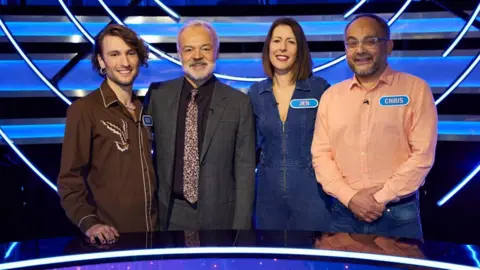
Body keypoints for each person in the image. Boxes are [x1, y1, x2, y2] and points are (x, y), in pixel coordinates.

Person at [311, 14, 438, 239]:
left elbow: (422, 156)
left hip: (398, 215)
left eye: (370, 41)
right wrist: (351, 198)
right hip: (343, 213)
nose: (360, 50)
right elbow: (321, 155)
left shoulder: (415, 90)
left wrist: (377, 200)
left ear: (389, 46)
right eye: (352, 43)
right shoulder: (331, 96)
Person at [144, 20, 256, 231]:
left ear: (216, 51)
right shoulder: (159, 96)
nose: (196, 56)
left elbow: (245, 170)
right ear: (178, 53)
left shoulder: (238, 103)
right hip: (168, 214)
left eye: (205, 48)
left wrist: (241, 227)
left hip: (221, 217)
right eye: (189, 49)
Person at [57, 24, 157, 244]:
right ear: (101, 61)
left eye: (131, 53)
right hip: (111, 242)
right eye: (114, 54)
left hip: (154, 239)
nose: (125, 62)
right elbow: (69, 180)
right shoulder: (84, 110)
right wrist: (90, 223)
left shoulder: (146, 109)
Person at [248, 17, 331, 231]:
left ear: (300, 49)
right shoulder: (256, 93)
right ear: (268, 47)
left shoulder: (319, 89)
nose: (282, 48)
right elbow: (248, 148)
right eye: (276, 41)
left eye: (290, 41)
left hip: (312, 193)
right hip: (268, 193)